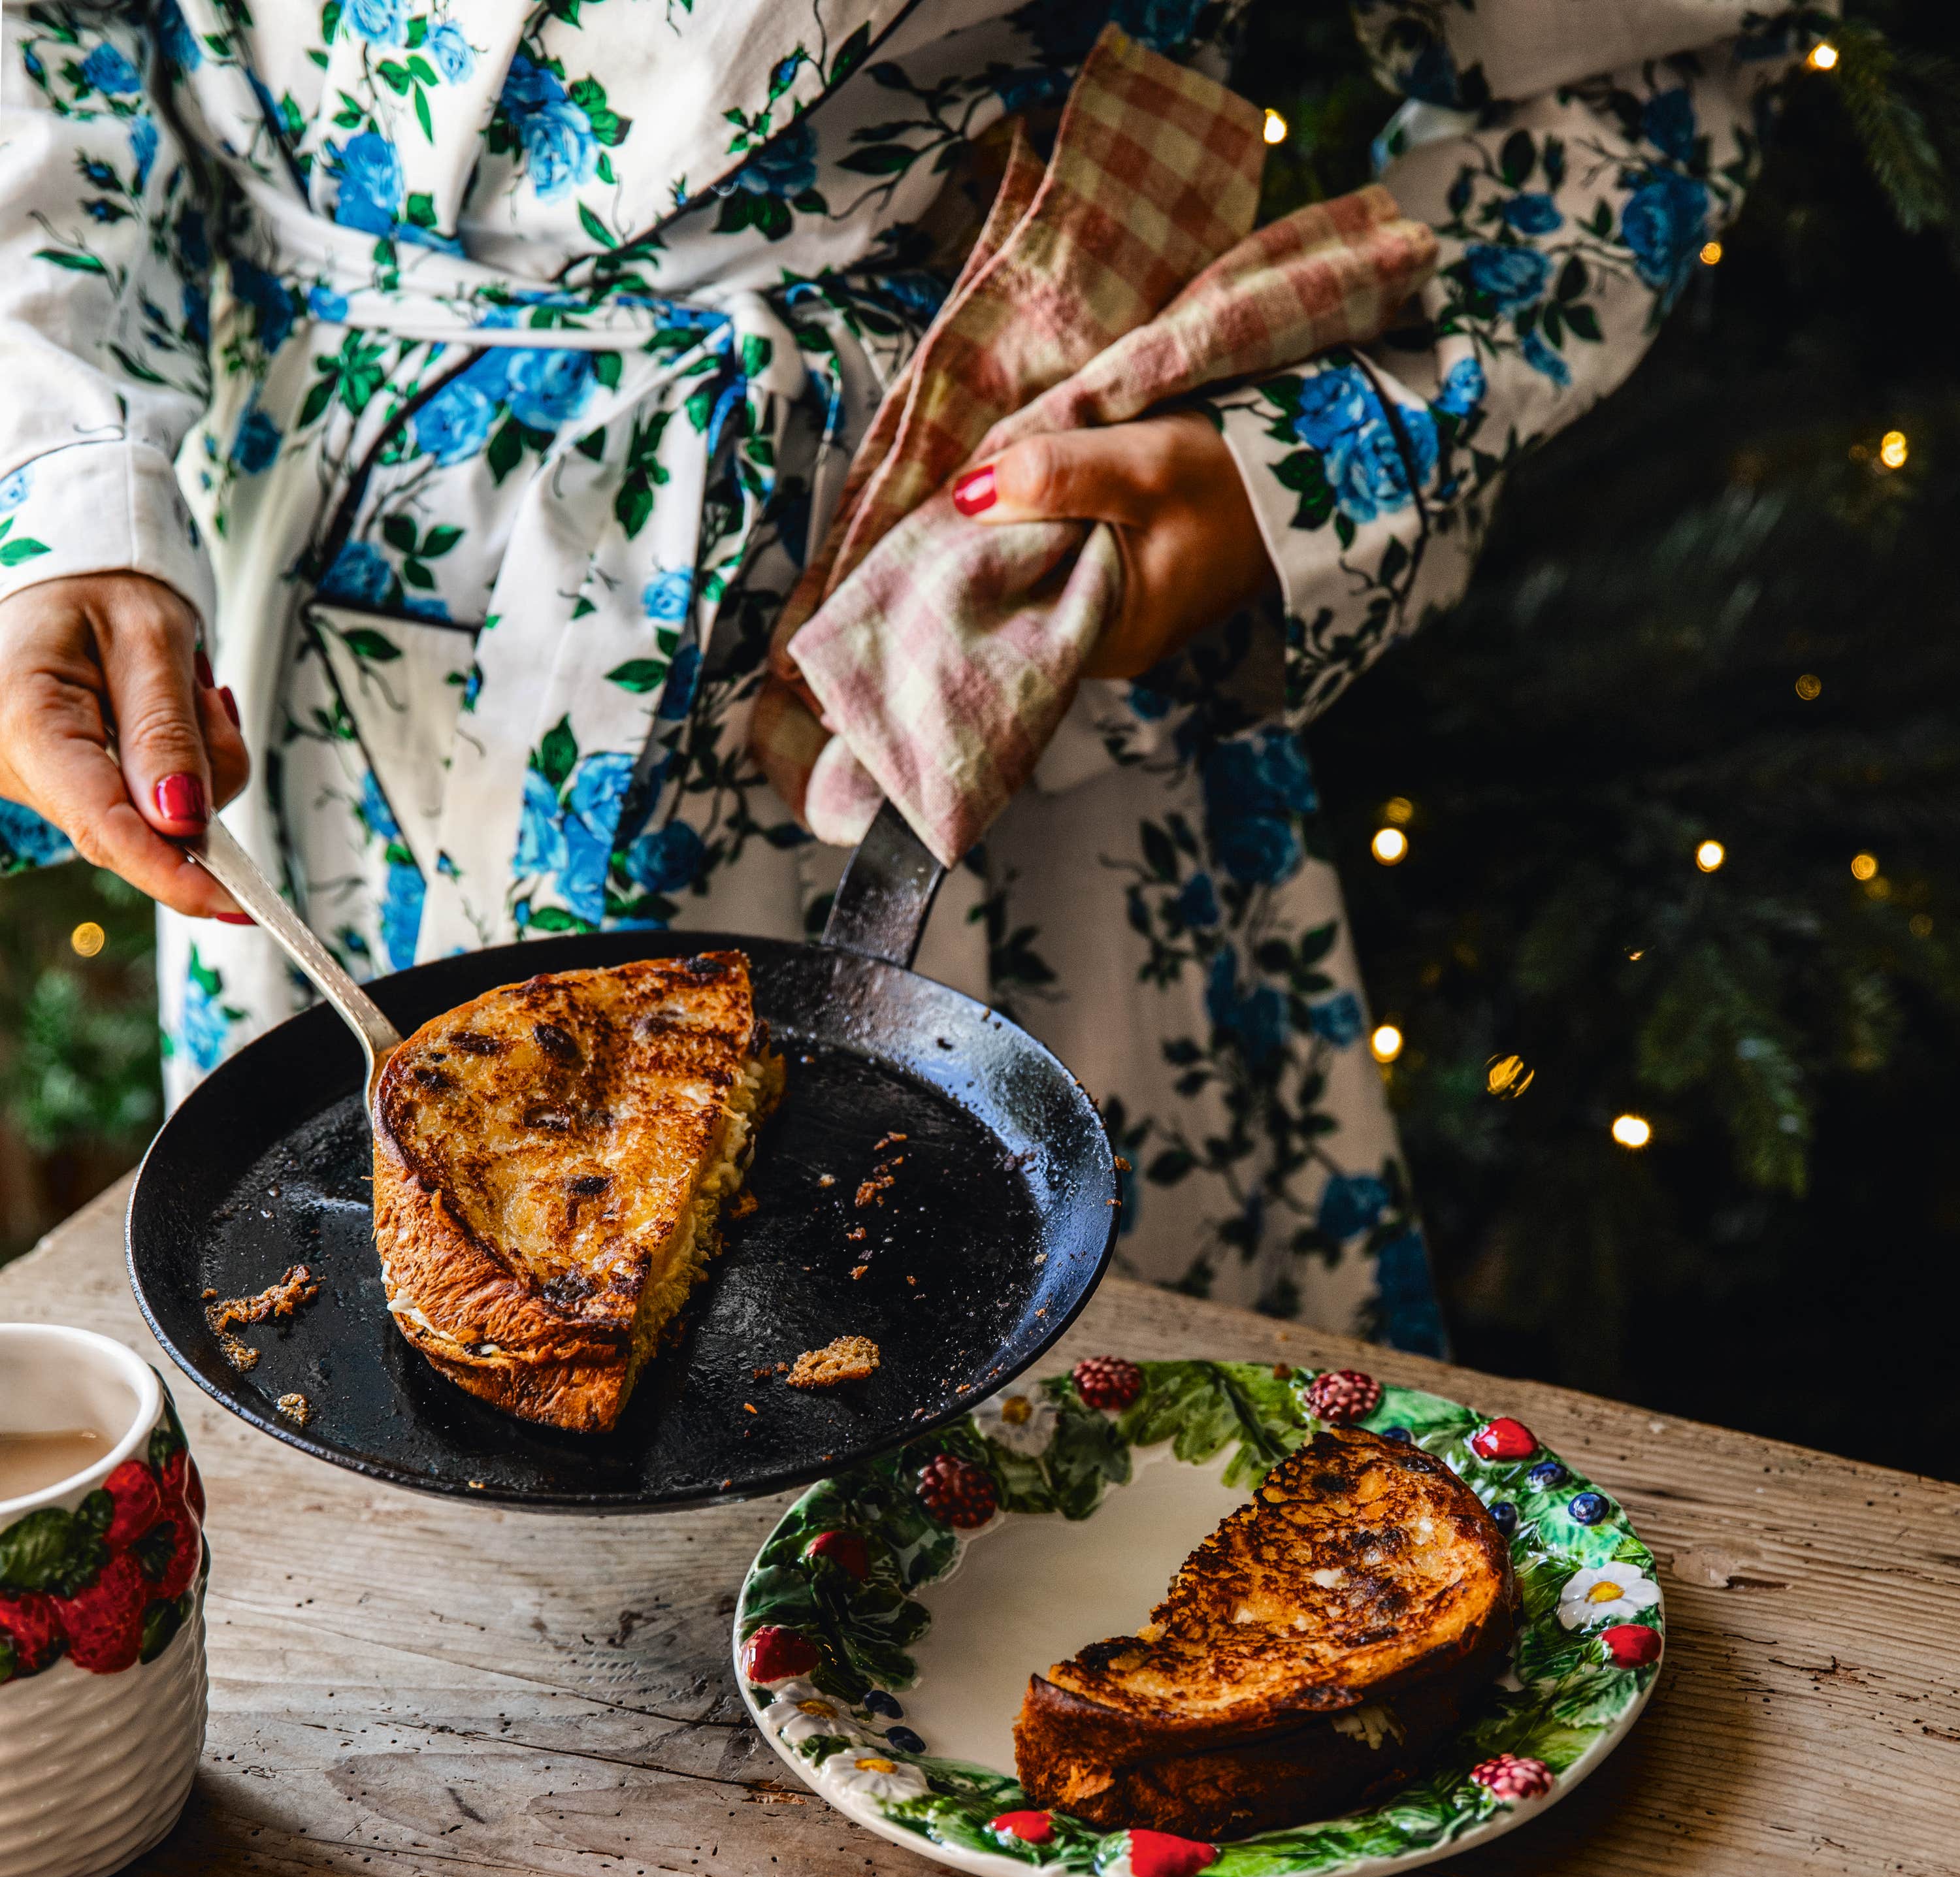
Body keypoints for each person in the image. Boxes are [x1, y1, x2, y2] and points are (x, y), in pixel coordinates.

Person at [0, 2, 1811, 1348]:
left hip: (993, 713)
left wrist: (1302, 469)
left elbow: (1639, 51)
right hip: (313, 724)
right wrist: (63, 487)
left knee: (1055, 1589)